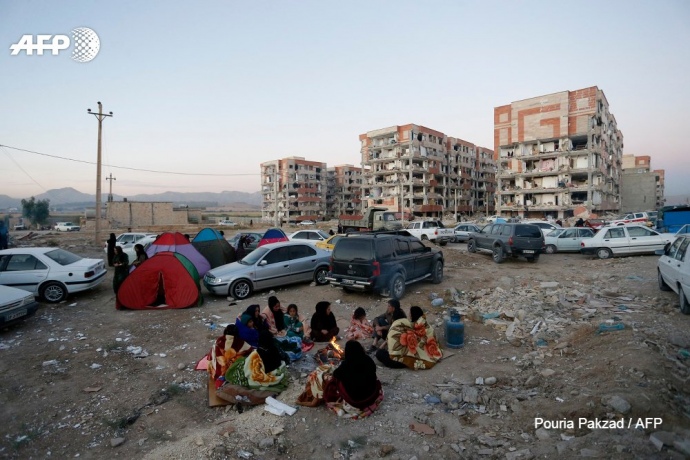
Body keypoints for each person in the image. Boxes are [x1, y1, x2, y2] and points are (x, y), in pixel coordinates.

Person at [322, 340, 384, 418]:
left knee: (336, 381)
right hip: (372, 395)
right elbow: (373, 370)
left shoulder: (346, 365)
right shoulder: (368, 359)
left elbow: (336, 375)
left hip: (356, 400)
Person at [376, 306, 442, 370]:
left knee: (380, 353)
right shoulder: (412, 325)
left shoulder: (398, 327)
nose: (409, 315)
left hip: (400, 360)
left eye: (410, 313)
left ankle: (406, 360)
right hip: (414, 355)